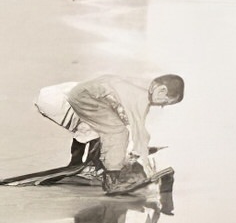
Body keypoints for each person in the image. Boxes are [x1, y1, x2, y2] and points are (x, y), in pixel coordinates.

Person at [34, 74, 184, 194]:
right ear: (162, 91)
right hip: (84, 96)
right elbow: (139, 132)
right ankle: (111, 180)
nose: (163, 106)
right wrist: (145, 164)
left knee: (99, 128)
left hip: (86, 93)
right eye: (166, 102)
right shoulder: (140, 98)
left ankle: (87, 165)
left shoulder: (144, 85)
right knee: (117, 131)